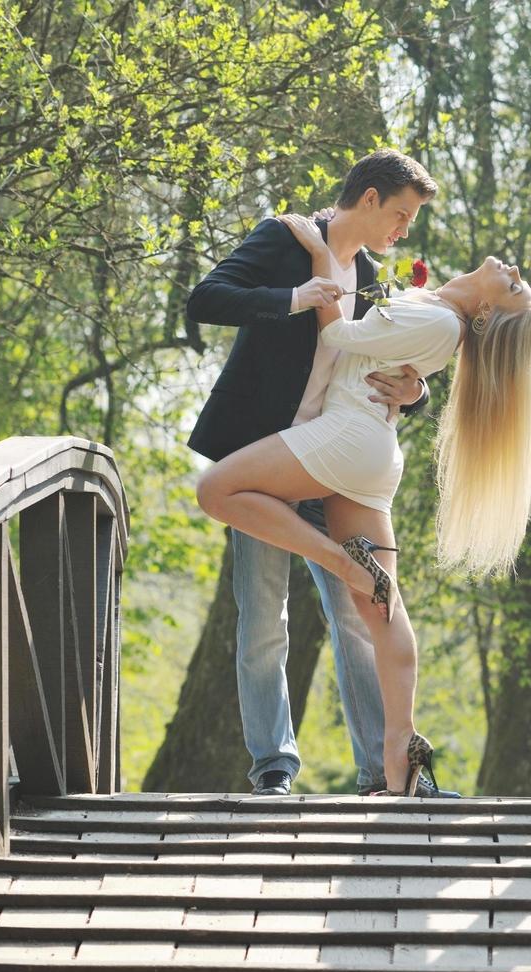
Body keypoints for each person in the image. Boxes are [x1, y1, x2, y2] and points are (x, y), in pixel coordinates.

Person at [195, 210, 531, 795]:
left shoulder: (433, 316)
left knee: (218, 492)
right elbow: (385, 349)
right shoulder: (419, 299)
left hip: (336, 445)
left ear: (488, 313)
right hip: (349, 451)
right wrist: (412, 382)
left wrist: (318, 264)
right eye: (402, 215)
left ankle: (341, 563)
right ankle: (397, 770)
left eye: (513, 285)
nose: (511, 268)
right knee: (376, 613)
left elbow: (344, 336)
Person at [186, 149, 459, 797]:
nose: (403, 231)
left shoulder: (369, 273)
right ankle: (274, 769)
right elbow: (205, 299)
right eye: (400, 215)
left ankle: (382, 773)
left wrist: (413, 394)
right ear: (367, 199)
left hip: (334, 468)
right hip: (270, 463)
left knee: (362, 614)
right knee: (262, 619)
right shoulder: (287, 240)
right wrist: (293, 297)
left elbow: (372, 360)